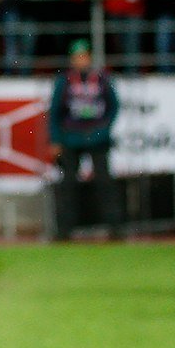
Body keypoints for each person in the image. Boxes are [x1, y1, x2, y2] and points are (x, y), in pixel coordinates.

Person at [49, 39, 122, 240]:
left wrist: (104, 130)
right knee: (68, 185)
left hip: (97, 138)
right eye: (77, 57)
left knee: (104, 182)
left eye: (84, 56)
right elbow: (55, 112)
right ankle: (64, 230)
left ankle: (114, 227)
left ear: (89, 57)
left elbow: (114, 106)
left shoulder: (101, 79)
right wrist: (56, 139)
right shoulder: (64, 81)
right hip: (71, 138)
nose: (81, 60)